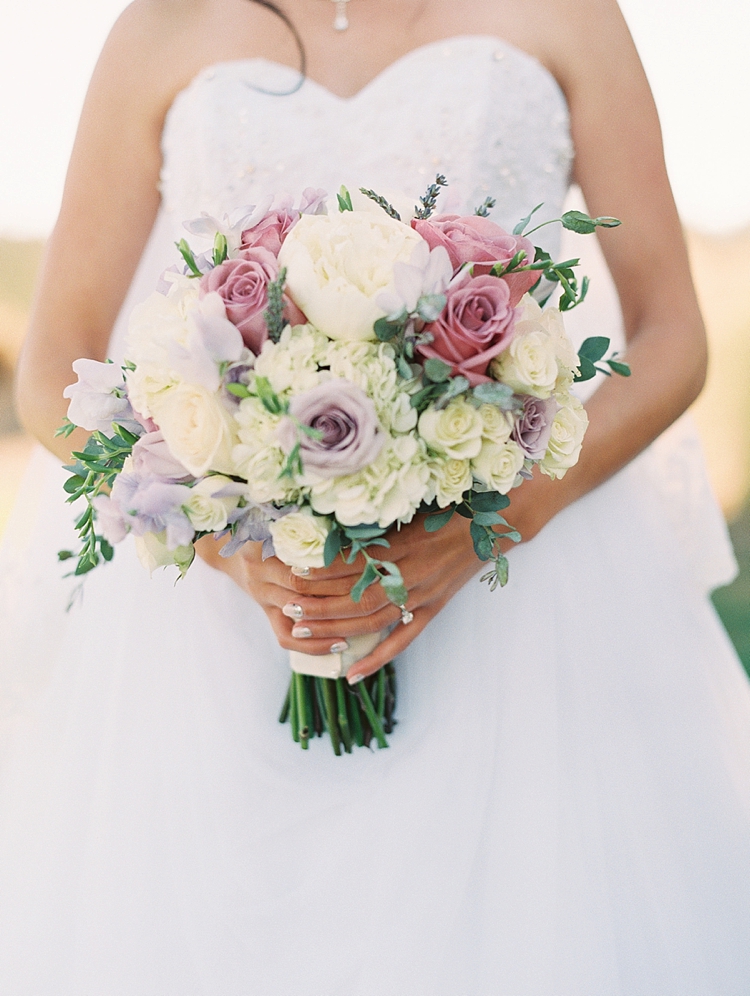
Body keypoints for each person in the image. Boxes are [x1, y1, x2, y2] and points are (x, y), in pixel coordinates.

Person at [1, 0, 749, 991]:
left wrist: (493, 527)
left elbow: (670, 337)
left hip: (531, 605)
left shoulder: (571, 13)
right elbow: (55, 363)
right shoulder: (161, 27)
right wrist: (230, 541)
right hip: (217, 628)